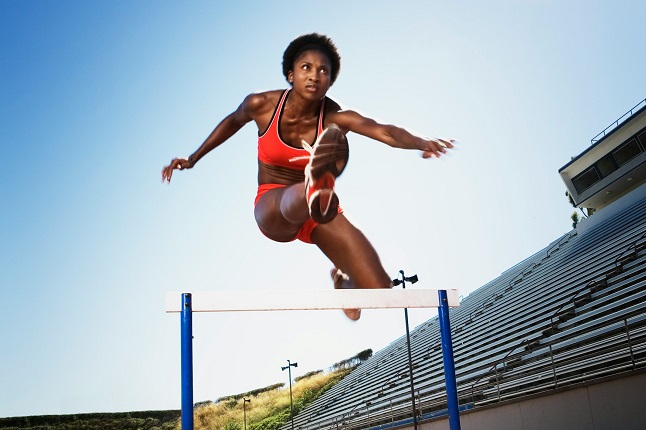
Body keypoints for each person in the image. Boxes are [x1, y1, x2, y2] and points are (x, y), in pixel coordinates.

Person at [162, 33, 454, 320]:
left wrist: (421, 141)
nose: (315, 76)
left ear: (330, 80)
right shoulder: (261, 105)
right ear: (290, 75)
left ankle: (343, 283)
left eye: (323, 71)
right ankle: (314, 187)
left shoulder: (334, 116)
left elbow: (384, 130)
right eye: (306, 68)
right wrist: (193, 158)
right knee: (298, 195)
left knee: (380, 290)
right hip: (274, 205)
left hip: (321, 211)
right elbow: (232, 121)